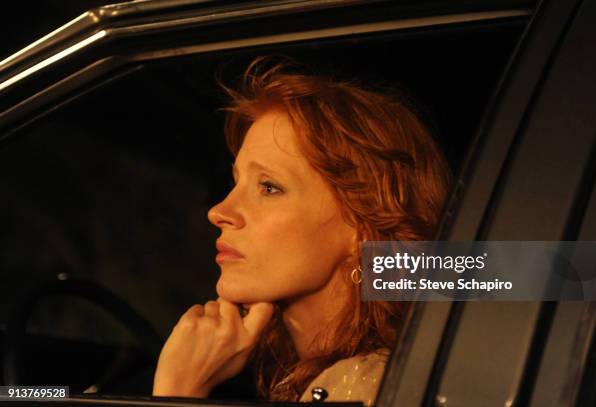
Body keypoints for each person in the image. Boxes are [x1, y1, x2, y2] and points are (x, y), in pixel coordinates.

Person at [152, 57, 451, 405]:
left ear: (361, 228)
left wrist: (178, 390)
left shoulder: (361, 384)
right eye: (235, 182)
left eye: (269, 187)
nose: (219, 212)